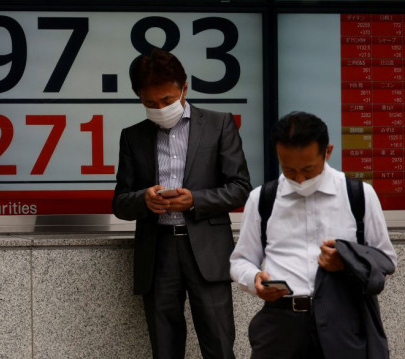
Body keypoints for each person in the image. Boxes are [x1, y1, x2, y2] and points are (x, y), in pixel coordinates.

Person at [113, 49, 252, 359]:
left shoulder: (219, 125)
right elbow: (120, 203)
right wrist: (144, 199)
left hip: (206, 250)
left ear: (184, 88)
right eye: (150, 103)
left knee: (218, 345)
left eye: (167, 100)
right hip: (158, 252)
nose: (160, 108)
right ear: (139, 98)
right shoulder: (133, 137)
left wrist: (195, 200)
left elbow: (241, 188)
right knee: (165, 348)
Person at [230, 111, 397, 358]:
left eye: (308, 170)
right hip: (280, 326)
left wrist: (346, 262)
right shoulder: (262, 198)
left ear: (327, 152)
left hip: (344, 322)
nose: (299, 179)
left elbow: (387, 260)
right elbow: (240, 260)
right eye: (288, 170)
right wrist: (255, 280)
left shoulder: (358, 195)